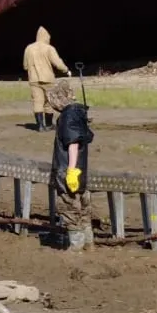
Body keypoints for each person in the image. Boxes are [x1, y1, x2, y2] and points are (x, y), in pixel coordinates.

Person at [46, 81, 95, 251]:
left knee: (69, 208)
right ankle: (89, 243)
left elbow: (72, 143)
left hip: (69, 169)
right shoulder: (79, 114)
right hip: (82, 170)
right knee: (84, 208)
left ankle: (76, 247)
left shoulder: (67, 116)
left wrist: (71, 170)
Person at [23, 26, 71, 132]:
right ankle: (49, 124)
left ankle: (40, 126)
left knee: (37, 101)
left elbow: (25, 66)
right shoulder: (49, 48)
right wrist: (66, 70)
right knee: (49, 101)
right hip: (48, 78)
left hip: (34, 79)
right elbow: (57, 63)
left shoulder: (28, 48)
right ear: (46, 37)